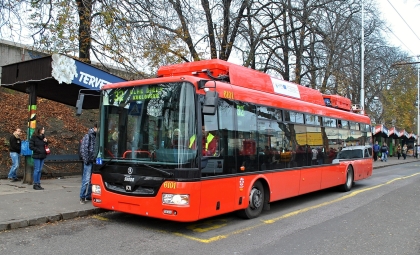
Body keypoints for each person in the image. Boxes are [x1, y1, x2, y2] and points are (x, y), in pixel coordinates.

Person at [79, 124, 97, 204]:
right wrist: (86, 160)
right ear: (95, 128)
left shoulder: (95, 136)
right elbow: (83, 149)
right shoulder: (88, 136)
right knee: (86, 180)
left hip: (93, 160)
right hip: (89, 160)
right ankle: (82, 197)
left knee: (91, 179)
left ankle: (88, 195)